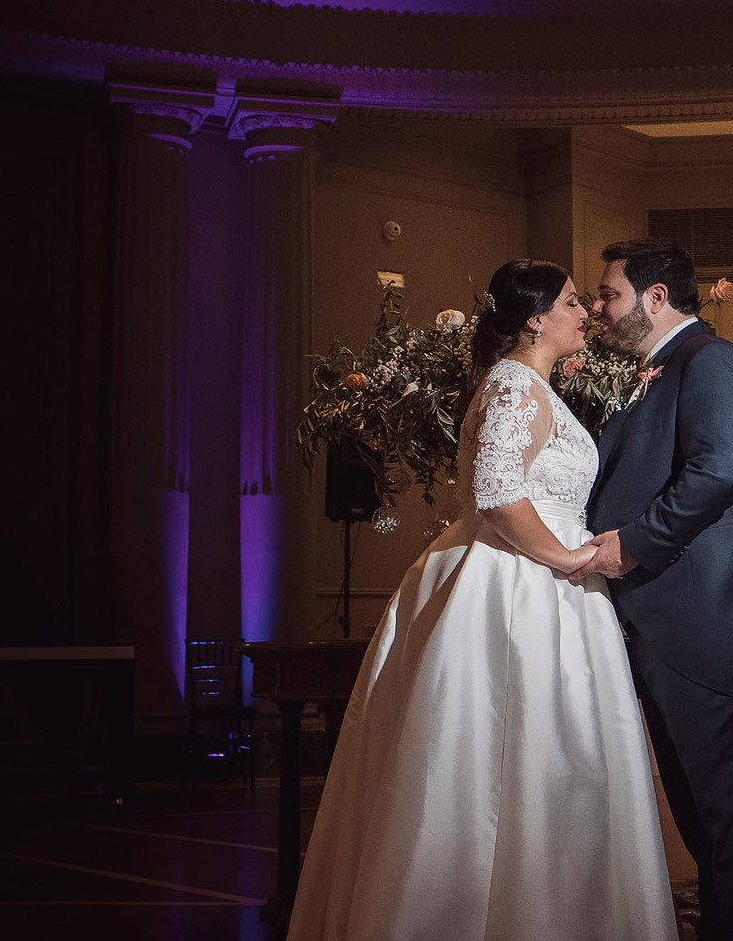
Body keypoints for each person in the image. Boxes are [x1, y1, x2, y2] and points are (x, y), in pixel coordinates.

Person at [286, 260, 679, 941]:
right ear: (533, 317)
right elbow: (498, 492)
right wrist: (567, 557)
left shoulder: (527, 386)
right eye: (568, 301)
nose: (583, 310)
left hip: (534, 581)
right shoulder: (514, 385)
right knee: (511, 752)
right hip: (520, 588)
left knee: (545, 762)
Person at [576, 237, 733, 941]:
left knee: (732, 833)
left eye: (608, 294)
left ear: (655, 296)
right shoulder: (650, 370)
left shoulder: (714, 361)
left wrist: (629, 545)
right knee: (711, 831)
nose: (597, 307)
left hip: (714, 632)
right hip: (671, 633)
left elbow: (720, 470)